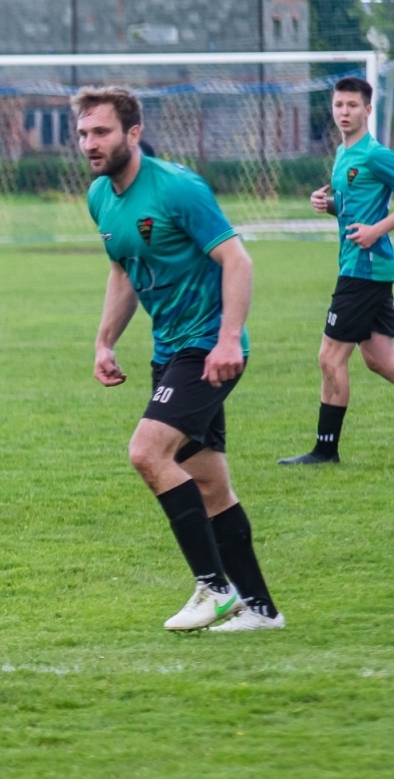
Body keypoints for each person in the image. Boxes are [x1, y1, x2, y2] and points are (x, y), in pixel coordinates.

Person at [80, 85, 283, 633]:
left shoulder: (177, 187)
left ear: (133, 133)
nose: (89, 143)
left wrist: (227, 338)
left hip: (206, 348)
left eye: (101, 132)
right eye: (83, 133)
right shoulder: (100, 195)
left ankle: (215, 590)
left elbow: (236, 260)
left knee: (147, 453)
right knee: (210, 483)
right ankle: (262, 612)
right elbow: (124, 270)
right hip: (169, 351)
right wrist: (105, 341)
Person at [279, 76, 394, 466]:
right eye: (338, 105)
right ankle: (324, 450)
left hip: (365, 269)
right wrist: (327, 204)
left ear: (367, 110)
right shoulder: (343, 154)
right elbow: (354, 208)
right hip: (357, 265)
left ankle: (325, 450)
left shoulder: (375, 155)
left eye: (352, 106)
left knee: (330, 357)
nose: (344, 112)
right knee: (379, 359)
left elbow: (374, 219)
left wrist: (378, 229)